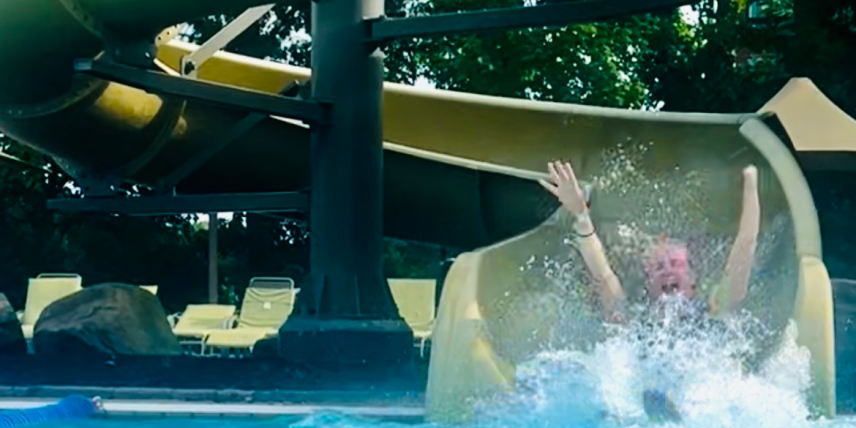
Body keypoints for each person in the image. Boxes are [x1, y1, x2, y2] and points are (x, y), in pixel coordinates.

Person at [539, 160, 761, 423]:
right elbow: (603, 274)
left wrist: (750, 185)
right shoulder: (632, 322)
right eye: (658, 266)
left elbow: (744, 248)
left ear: (693, 279)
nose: (667, 270)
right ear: (649, 284)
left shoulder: (714, 311)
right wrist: (580, 214)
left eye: (676, 264)